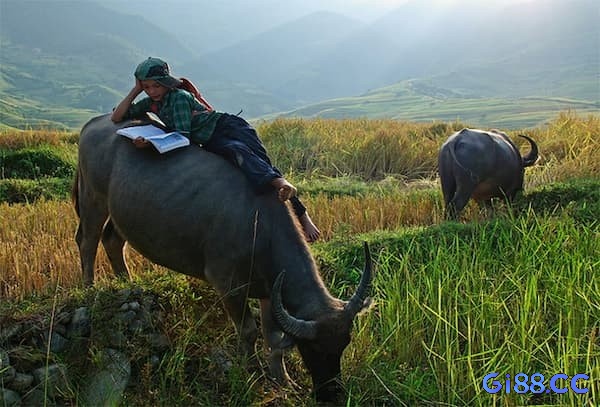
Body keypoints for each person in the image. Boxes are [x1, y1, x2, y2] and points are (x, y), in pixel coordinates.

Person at [111, 57, 320, 242]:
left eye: (156, 86)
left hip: (228, 127)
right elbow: (117, 116)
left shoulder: (179, 98)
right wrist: (135, 90)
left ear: (166, 83)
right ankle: (281, 191)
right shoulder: (153, 103)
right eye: (146, 87)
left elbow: (182, 136)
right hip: (210, 138)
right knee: (240, 155)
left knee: (249, 158)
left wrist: (150, 144)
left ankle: (298, 208)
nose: (152, 91)